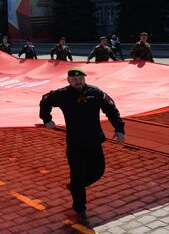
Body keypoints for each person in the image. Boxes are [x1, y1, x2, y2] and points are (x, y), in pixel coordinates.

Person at [39, 67, 125, 227]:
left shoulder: (96, 92)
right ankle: (80, 209)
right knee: (78, 175)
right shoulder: (62, 94)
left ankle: (75, 187)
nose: (78, 81)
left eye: (80, 78)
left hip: (94, 141)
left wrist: (119, 128)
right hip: (75, 143)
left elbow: (111, 109)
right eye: (74, 79)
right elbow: (45, 100)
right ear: (68, 80)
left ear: (84, 78)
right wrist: (47, 119)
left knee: (98, 171)